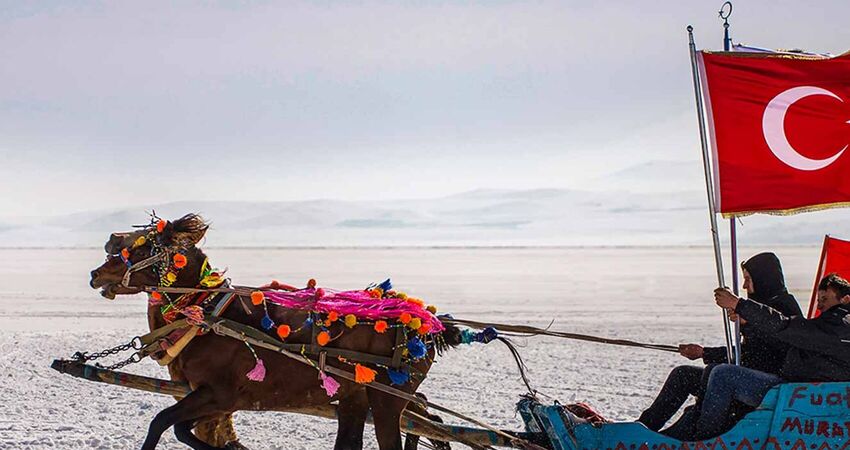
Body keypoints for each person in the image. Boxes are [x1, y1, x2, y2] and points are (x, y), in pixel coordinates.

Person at [638, 252, 801, 437]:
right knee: (683, 374)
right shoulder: (758, 306)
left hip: (773, 385)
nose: (744, 285)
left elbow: (777, 349)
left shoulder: (784, 306)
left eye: (748, 279)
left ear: (764, 278)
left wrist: (748, 324)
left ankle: (702, 436)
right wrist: (703, 353)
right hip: (747, 377)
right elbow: (747, 353)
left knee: (720, 373)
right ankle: (644, 427)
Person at [696, 273, 850, 439]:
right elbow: (788, 340)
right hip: (808, 393)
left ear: (845, 299)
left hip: (797, 396)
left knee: (723, 374)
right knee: (715, 371)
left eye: (824, 299)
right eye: (818, 300)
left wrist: (739, 304)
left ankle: (705, 439)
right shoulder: (831, 326)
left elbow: (784, 326)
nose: (819, 306)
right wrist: (748, 324)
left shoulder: (838, 326)